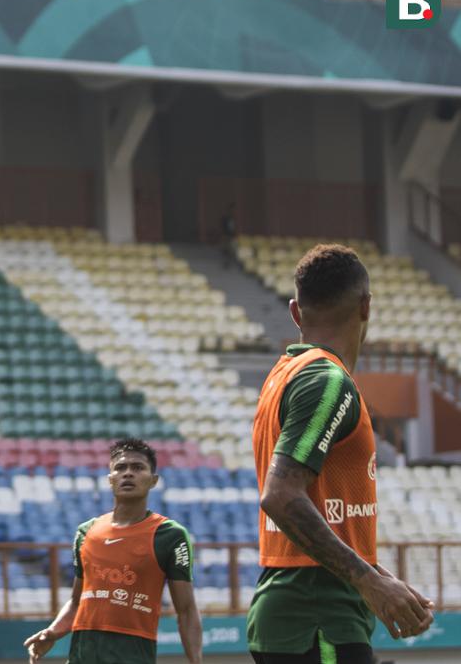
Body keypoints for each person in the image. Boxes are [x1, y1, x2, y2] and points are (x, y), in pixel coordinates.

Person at [247, 244, 434, 663]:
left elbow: (314, 505)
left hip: (303, 610)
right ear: (366, 306)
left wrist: (379, 577)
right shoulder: (327, 381)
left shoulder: (283, 374)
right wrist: (369, 582)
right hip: (317, 615)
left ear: (296, 312)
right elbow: (281, 495)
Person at [23, 438, 202, 664]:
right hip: (82, 656)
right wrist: (53, 632)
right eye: (120, 468)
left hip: (134, 656)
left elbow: (186, 610)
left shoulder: (170, 535)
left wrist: (196, 660)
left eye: (138, 468)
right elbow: (78, 601)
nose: (128, 473)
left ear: (153, 480)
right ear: (110, 479)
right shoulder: (86, 532)